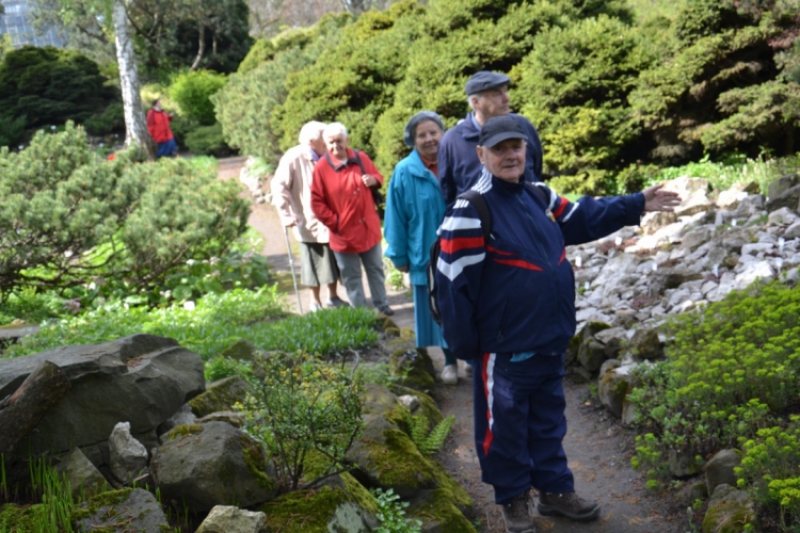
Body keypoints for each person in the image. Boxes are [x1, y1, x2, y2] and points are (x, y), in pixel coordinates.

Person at [434, 115, 681, 533]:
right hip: (504, 347)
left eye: (517, 146)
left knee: (549, 421)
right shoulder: (469, 210)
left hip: (550, 338)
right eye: (499, 149)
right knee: (503, 428)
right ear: (481, 154)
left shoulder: (538, 194)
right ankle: (513, 499)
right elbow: (451, 285)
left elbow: (583, 216)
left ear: (526, 150)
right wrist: (467, 347)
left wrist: (637, 203)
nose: (510, 155)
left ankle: (554, 492)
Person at [384, 111, 460, 385]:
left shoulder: (457, 161)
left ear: (443, 134)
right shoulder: (404, 171)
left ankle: (475, 357)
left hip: (462, 249)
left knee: (468, 304)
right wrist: (399, 254)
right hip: (425, 253)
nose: (429, 139)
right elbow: (395, 216)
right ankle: (450, 361)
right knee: (437, 309)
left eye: (433, 132)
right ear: (413, 141)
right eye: (422, 135)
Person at [311, 122, 393, 316]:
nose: (335, 146)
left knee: (375, 269)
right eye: (330, 143)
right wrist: (336, 223)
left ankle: (382, 305)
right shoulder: (322, 167)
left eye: (339, 141)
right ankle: (360, 313)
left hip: (368, 228)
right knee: (351, 276)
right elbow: (316, 202)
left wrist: (374, 180)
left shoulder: (360, 157)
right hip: (343, 234)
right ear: (325, 143)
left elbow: (377, 175)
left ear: (347, 140)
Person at [271, 121, 347, 312]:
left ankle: (333, 297)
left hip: (331, 219)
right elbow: (279, 186)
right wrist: (285, 213)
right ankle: (314, 302)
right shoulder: (293, 157)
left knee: (332, 261)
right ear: (314, 141)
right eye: (325, 139)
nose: (328, 143)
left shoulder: (329, 155)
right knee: (312, 263)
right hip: (308, 220)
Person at [438, 71, 543, 205]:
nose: (506, 98)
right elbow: (448, 192)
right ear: (476, 102)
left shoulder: (523, 126)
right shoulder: (452, 141)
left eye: (506, 91)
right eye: (497, 94)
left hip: (526, 219)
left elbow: (536, 170)